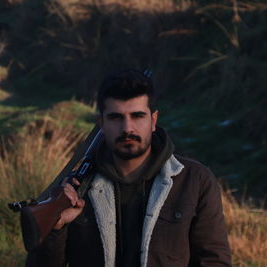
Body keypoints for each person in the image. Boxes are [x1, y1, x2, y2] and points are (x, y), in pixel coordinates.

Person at [27, 70, 232, 267]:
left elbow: (214, 262)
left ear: (153, 121)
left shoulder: (194, 181)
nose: (127, 128)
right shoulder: (76, 188)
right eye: (116, 117)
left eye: (137, 116)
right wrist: (56, 228)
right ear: (102, 123)